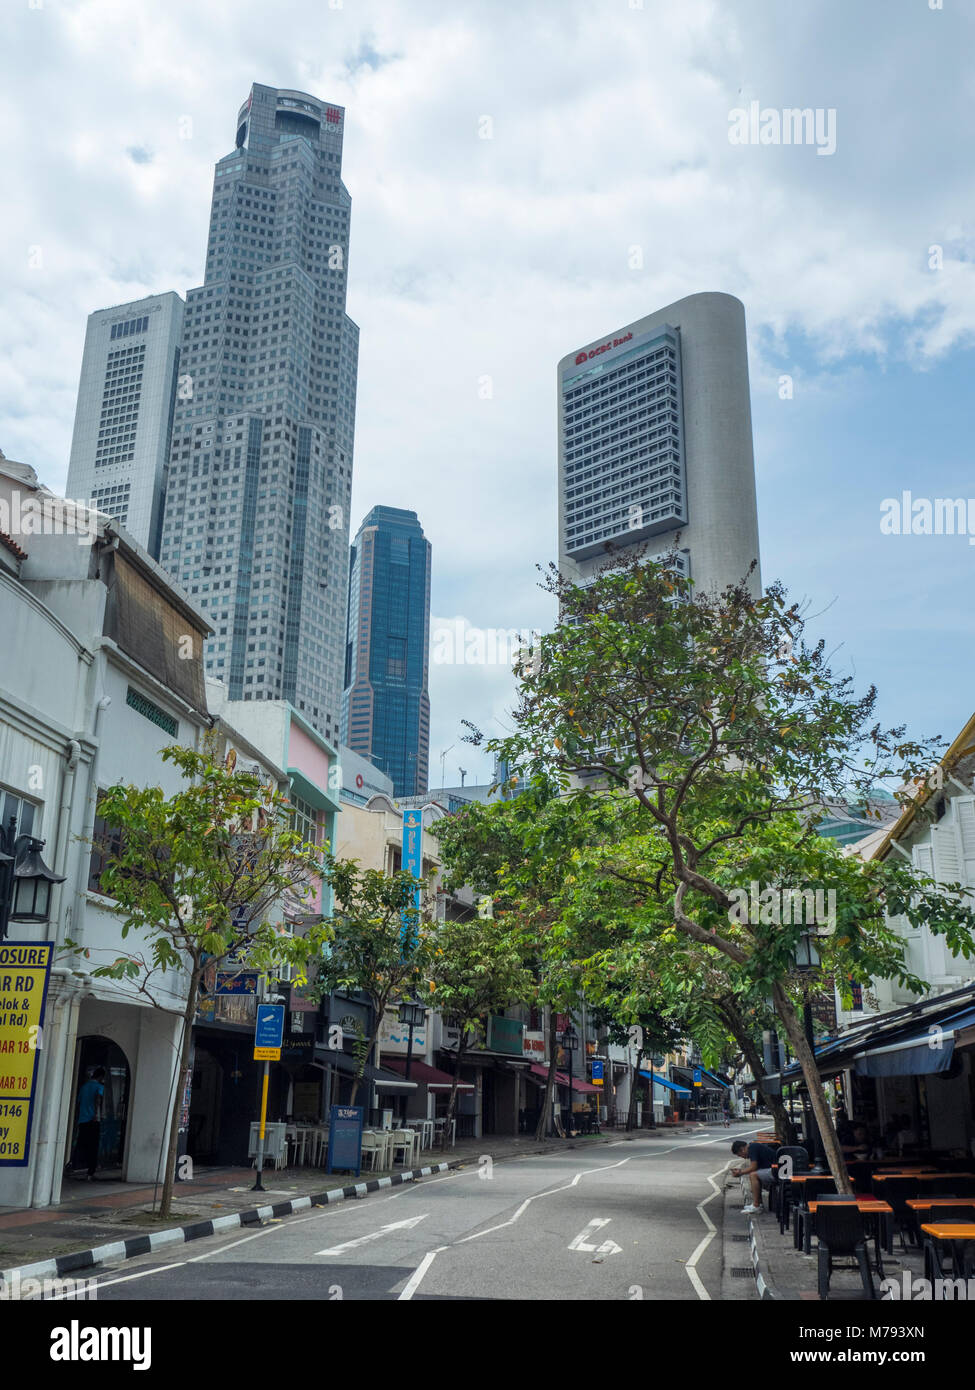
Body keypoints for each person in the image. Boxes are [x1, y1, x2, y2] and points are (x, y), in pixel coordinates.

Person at [730, 1138, 778, 1214]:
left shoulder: (752, 1148)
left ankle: (756, 1206)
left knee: (753, 1175)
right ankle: (759, 1203)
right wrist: (741, 1171)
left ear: (742, 1149)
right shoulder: (754, 1146)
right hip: (774, 1170)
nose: (743, 1157)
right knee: (754, 1175)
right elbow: (755, 1168)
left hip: (776, 1170)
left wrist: (740, 1172)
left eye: (740, 1155)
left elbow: (753, 1167)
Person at [76, 1066, 105, 1180]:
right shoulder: (99, 1087)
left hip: (82, 1120)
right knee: (93, 1146)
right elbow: (98, 1099)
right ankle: (90, 1173)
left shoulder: (84, 1087)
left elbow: (78, 1103)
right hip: (93, 1120)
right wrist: (96, 1114)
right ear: (100, 1077)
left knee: (81, 1144)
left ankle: (74, 1164)